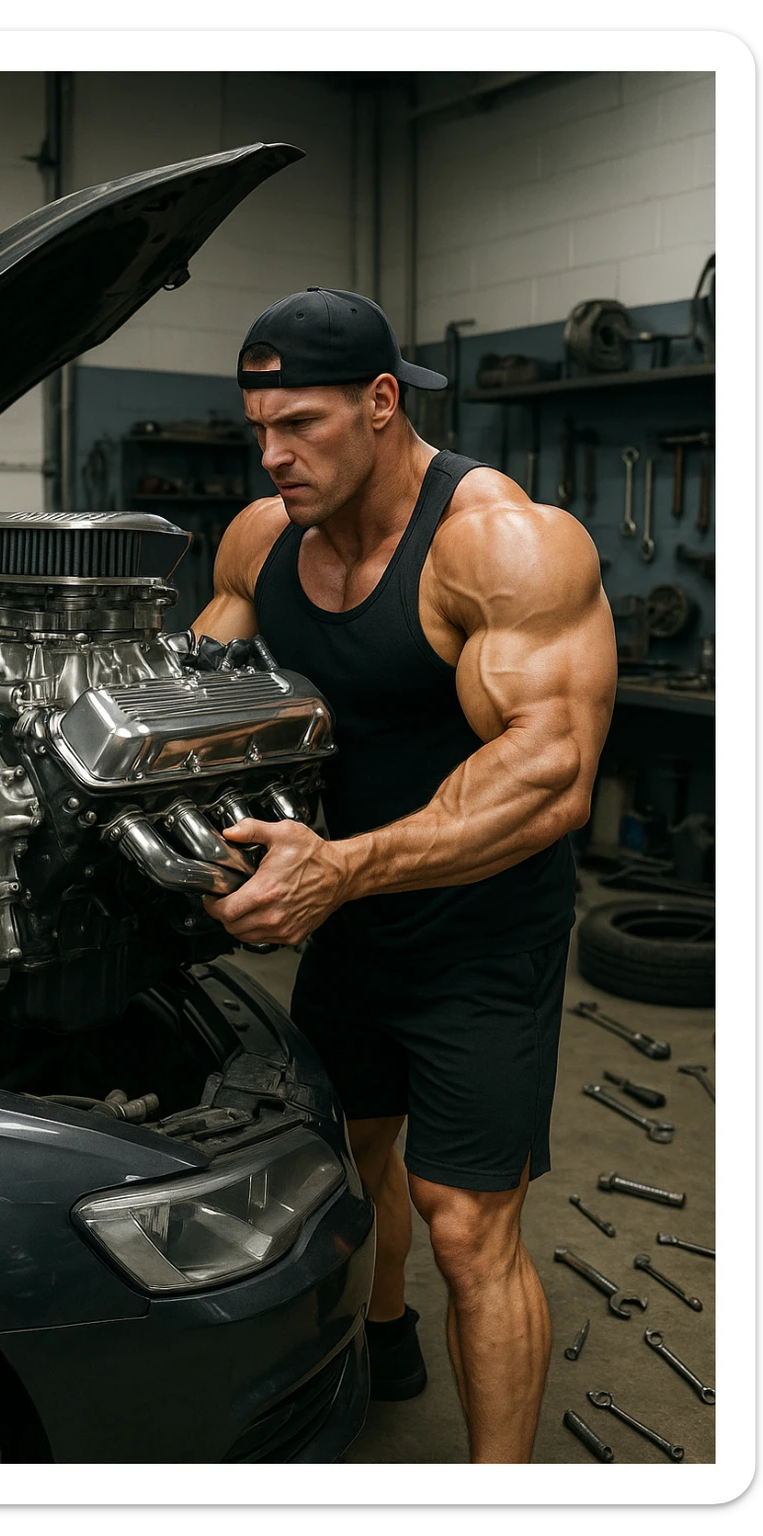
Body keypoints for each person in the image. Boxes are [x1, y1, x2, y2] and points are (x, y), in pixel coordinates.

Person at [191, 287, 617, 1464]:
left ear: (382, 404)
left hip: (483, 930)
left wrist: (344, 869)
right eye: (258, 428)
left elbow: (550, 773)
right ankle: (384, 1334)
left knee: (466, 1223)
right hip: (349, 914)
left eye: (303, 426)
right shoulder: (261, 539)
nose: (274, 456)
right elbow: (197, 715)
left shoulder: (501, 544)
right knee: (350, 1158)